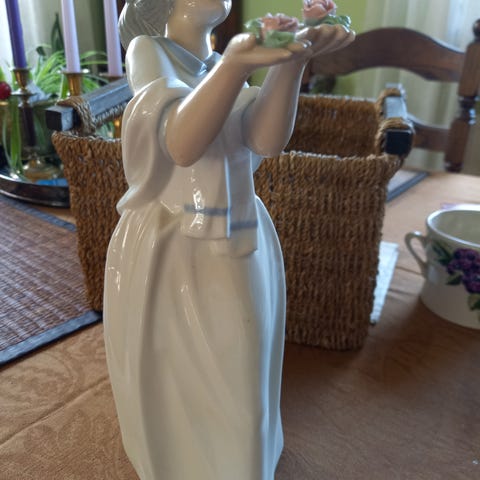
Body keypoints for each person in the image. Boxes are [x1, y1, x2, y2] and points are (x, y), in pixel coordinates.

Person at [103, 1, 354, 479]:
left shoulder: (219, 62)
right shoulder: (149, 50)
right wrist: (237, 66)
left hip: (236, 233)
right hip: (173, 240)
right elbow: (181, 143)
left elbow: (265, 140)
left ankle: (239, 464)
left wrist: (293, 62)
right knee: (178, 360)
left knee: (242, 357)